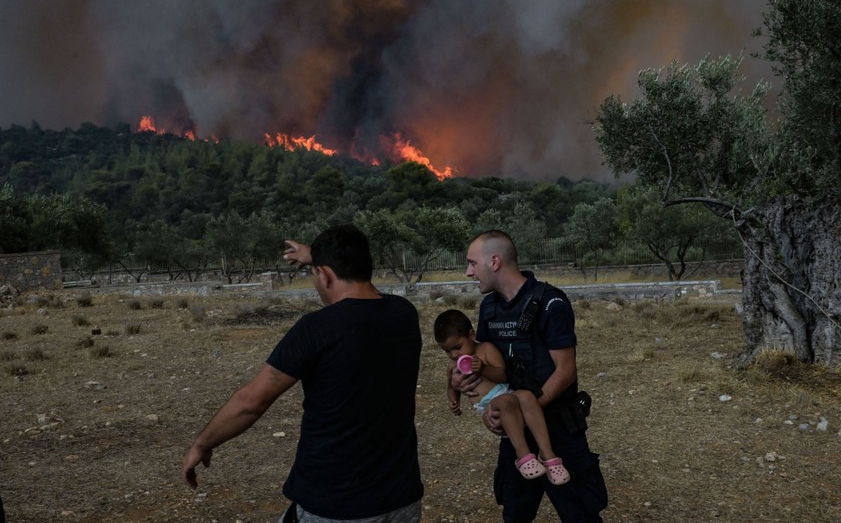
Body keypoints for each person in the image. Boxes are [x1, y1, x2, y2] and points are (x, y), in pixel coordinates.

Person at [180, 224, 424, 523]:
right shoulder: (404, 314)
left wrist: (202, 443)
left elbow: (250, 402)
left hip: (335, 505)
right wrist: (319, 259)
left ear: (324, 275)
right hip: (402, 500)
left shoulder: (316, 329)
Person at [453, 230, 608, 523]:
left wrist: (527, 409)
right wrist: (490, 409)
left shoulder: (551, 304)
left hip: (559, 431)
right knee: (515, 514)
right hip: (517, 437)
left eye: (473, 263)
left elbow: (565, 370)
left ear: (495, 262)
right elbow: (487, 365)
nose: (468, 272)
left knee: (580, 514)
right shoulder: (489, 308)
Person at [433, 309, 570, 485]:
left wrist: (482, 368)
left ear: (471, 335)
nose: (454, 355)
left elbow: (502, 375)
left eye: (457, 347)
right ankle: (523, 455)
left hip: (506, 393)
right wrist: (453, 400)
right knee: (506, 402)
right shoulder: (453, 366)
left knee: (527, 396)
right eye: (447, 351)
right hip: (489, 406)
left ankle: (547, 454)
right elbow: (451, 387)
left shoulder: (485, 349)